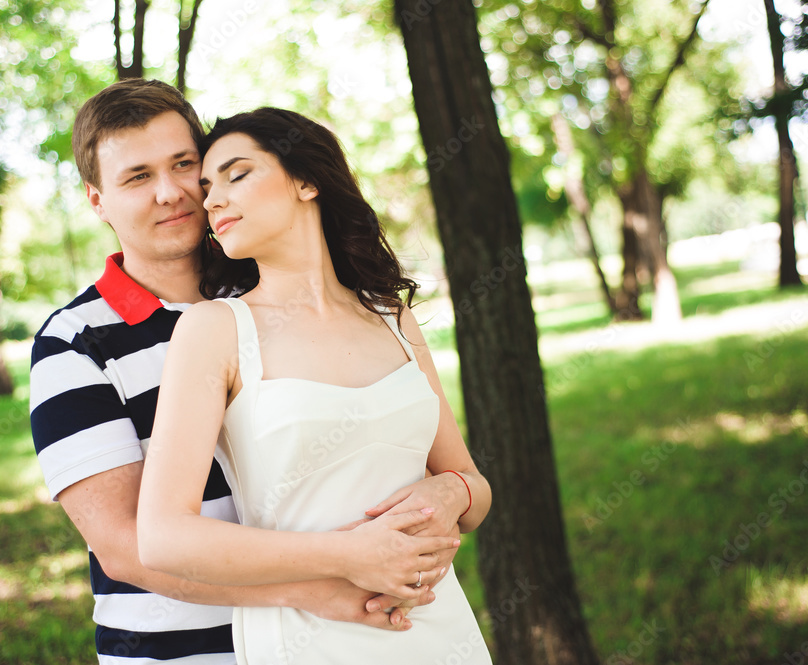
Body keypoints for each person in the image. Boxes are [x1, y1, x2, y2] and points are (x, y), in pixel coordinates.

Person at [29, 80, 470, 665]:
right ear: (98, 201)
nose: (171, 192)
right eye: (137, 177)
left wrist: (451, 492)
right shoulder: (72, 344)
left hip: (367, 631)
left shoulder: (268, 294)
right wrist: (315, 591)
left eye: (183, 165)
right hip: (186, 653)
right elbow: (126, 548)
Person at [137, 107, 493, 664]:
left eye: (236, 175)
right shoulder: (216, 330)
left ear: (306, 180)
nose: (210, 202)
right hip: (310, 638)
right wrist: (349, 555)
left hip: (436, 626)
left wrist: (452, 494)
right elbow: (162, 537)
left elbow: (471, 484)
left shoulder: (392, 318)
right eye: (206, 189)